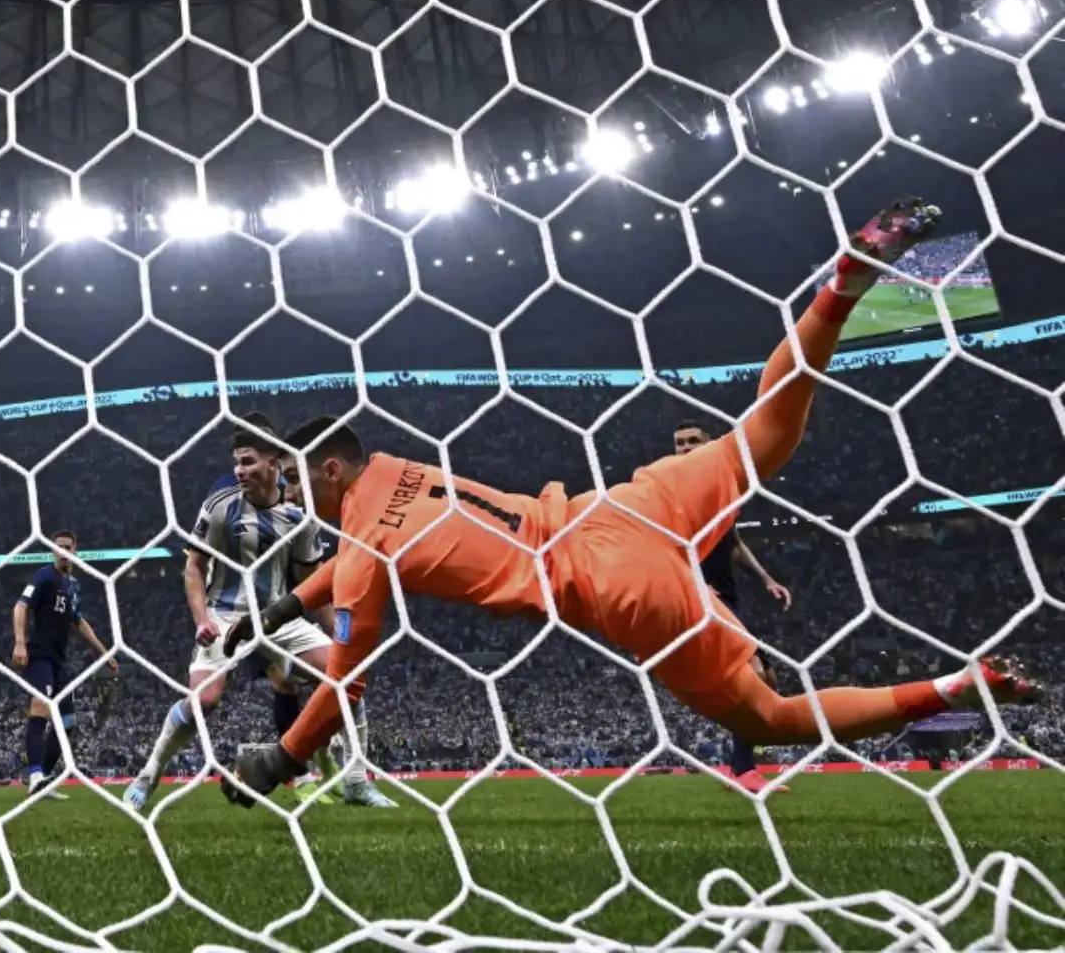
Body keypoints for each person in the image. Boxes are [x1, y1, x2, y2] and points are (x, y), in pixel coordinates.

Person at [222, 200, 1042, 806]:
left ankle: (955, 687)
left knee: (769, 717)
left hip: (611, 580)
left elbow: (344, 681)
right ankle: (839, 291)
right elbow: (350, 559)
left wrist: (281, 760)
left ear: (333, 471)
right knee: (764, 434)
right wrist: (280, 609)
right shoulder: (396, 470)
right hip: (622, 506)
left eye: (295, 480)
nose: (289, 495)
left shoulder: (365, 549)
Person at [125, 422, 393, 812]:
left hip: (277, 617)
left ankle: (355, 782)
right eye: (236, 463)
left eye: (248, 462)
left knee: (346, 676)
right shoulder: (220, 505)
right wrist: (201, 619)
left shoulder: (298, 513)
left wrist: (338, 633)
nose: (239, 471)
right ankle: (148, 775)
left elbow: (312, 581)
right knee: (204, 701)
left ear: (272, 463)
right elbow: (194, 568)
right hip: (225, 615)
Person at [672, 420, 793, 793]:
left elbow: (735, 544)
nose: (686, 448)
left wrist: (767, 580)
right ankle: (743, 770)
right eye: (679, 443)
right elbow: (662, 547)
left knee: (767, 680)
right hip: (699, 600)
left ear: (708, 444)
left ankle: (738, 765)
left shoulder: (722, 491)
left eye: (693, 441)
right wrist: (692, 585)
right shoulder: (671, 493)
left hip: (729, 599)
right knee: (751, 676)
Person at [12, 531, 118, 796]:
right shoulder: (44, 576)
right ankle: (34, 775)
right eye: (58, 547)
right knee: (40, 708)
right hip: (39, 655)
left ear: (75, 550)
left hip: (59, 660)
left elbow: (78, 622)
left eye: (67, 547)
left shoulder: (73, 585)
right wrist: (20, 642)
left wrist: (104, 653)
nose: (63, 552)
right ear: (53, 550)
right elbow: (21, 606)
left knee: (68, 720)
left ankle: (44, 779)